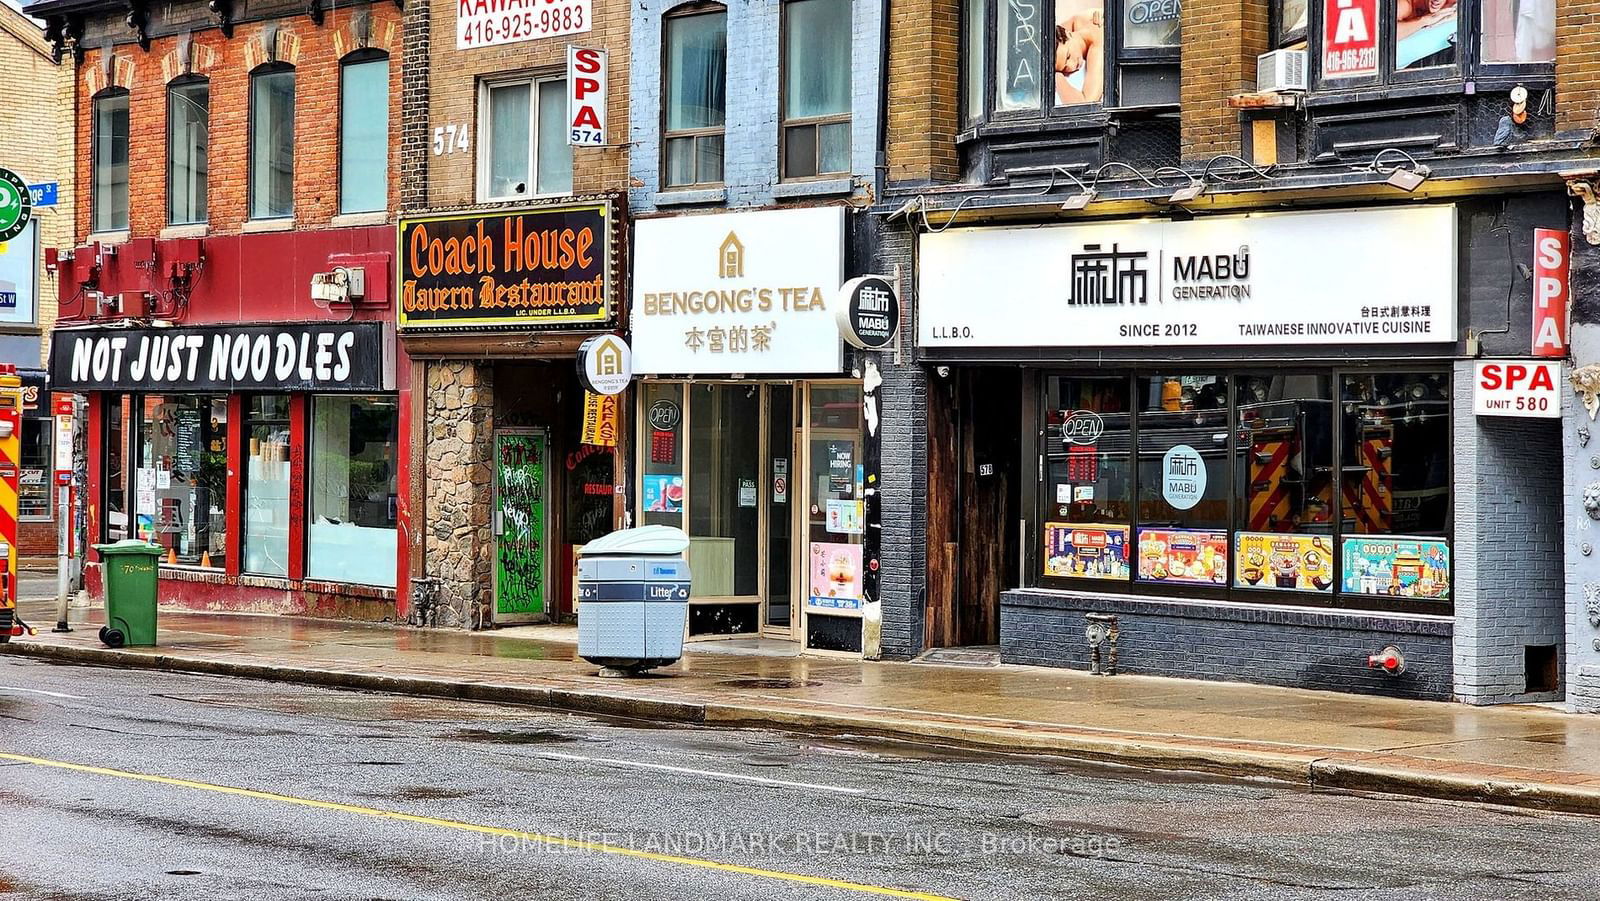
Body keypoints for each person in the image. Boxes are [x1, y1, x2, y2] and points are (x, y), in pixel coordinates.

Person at [1055, 9, 1104, 106]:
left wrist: (1057, 78)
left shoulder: (1098, 48)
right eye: (1065, 68)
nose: (1072, 66)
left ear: (1068, 34)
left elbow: (1086, 106)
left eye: (1068, 57)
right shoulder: (1078, 21)